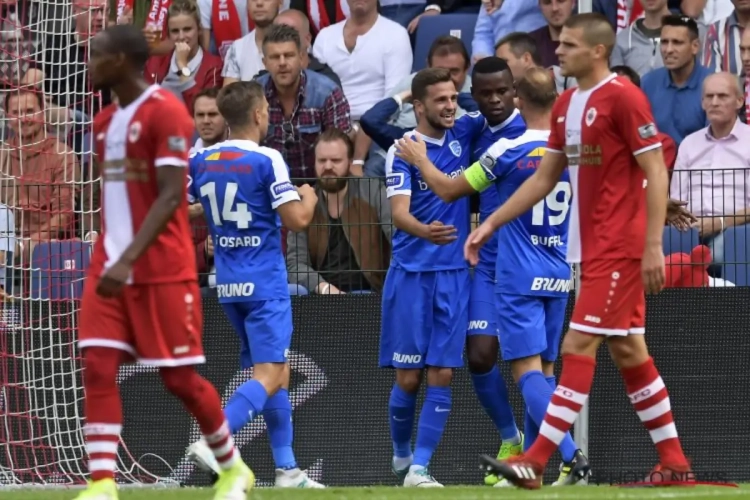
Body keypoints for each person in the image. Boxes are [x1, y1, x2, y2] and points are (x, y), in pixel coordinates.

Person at [476, 13, 692, 489]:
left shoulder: (625, 97)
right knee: (628, 350)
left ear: (598, 51)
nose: (559, 51)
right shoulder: (567, 105)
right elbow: (543, 178)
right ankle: (674, 462)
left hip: (620, 247)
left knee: (576, 346)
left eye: (570, 45)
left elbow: (655, 169)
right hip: (591, 249)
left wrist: (652, 244)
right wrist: (491, 221)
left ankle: (535, 462)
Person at [75, 25, 253, 500]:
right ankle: (102, 483)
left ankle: (233, 468)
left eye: (95, 54)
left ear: (121, 61)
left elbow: (172, 196)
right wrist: (111, 256)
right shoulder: (102, 122)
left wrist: (128, 259)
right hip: (109, 265)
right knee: (97, 365)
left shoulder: (166, 111)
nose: (88, 62)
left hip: (160, 270)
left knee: (179, 379)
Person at [394, 67, 590, 488]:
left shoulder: (506, 150)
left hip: (516, 272)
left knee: (527, 372)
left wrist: (421, 161)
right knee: (541, 370)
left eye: (505, 92)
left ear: (518, 98)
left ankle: (572, 457)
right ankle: (532, 465)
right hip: (559, 272)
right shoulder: (573, 151)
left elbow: (450, 190)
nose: (497, 99)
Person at [184, 81, 324, 489]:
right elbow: (297, 220)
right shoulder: (267, 158)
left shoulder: (201, 158)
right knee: (271, 373)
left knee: (275, 372)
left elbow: (183, 207)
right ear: (260, 114)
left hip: (227, 284)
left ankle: (288, 470)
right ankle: (216, 441)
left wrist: (212, 213)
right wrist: (309, 197)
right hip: (264, 282)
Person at [381, 67, 488, 487]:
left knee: (442, 373)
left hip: (455, 275)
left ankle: (420, 469)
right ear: (418, 106)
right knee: (408, 378)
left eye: (453, 98)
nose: (450, 106)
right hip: (411, 274)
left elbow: (493, 103)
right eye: (441, 100)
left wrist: (466, 94)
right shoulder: (403, 150)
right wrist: (424, 231)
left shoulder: (465, 130)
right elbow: (399, 213)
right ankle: (401, 453)